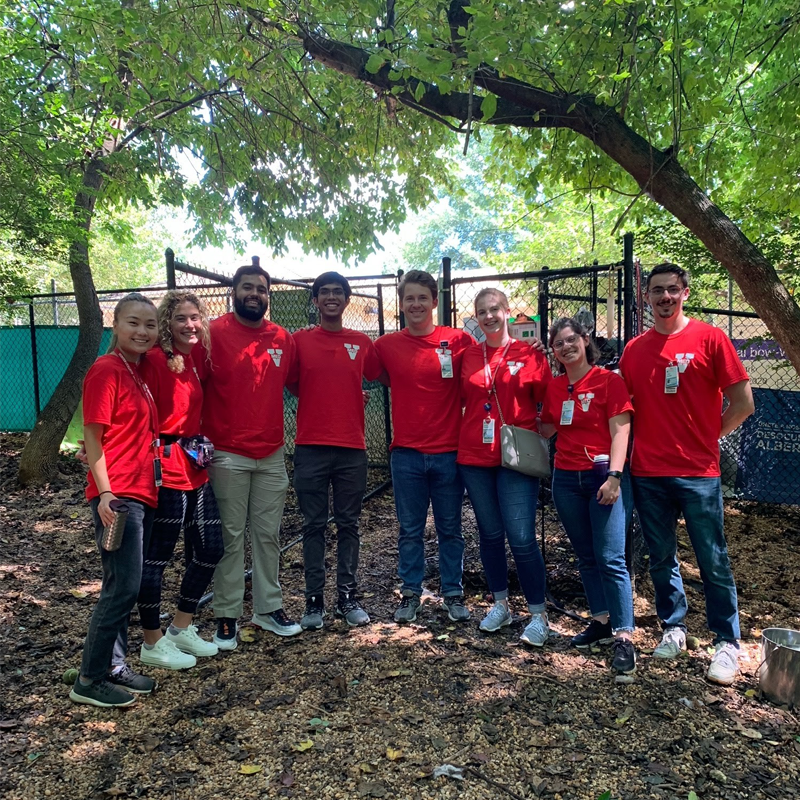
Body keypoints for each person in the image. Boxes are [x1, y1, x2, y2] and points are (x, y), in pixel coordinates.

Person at [619, 263, 754, 686]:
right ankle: (673, 628)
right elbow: (622, 411)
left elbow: (743, 402)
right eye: (656, 290)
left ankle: (726, 642)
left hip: (698, 472)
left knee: (712, 559)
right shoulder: (634, 350)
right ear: (646, 296)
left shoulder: (711, 338)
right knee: (661, 557)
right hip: (648, 472)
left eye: (672, 290)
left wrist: (707, 437)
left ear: (685, 293)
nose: (664, 297)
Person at [203, 265, 301, 649]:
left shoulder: (281, 338)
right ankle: (226, 616)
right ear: (234, 291)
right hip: (227, 453)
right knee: (229, 537)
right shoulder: (212, 333)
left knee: (268, 535)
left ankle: (267, 609)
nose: (254, 294)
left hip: (272, 454)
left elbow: (297, 384)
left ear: (267, 295)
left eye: (261, 289)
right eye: (247, 287)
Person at [70, 293, 161, 707]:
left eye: (150, 325)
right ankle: (89, 679)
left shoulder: (136, 371)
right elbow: (93, 435)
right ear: (115, 324)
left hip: (139, 491)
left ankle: (112, 666)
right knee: (121, 586)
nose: (142, 331)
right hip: (118, 495)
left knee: (125, 582)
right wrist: (105, 492)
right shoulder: (106, 369)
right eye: (133, 323)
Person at [374, 270, 473, 623]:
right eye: (408, 298)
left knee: (450, 528)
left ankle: (453, 593)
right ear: (401, 304)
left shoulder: (458, 341)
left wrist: (531, 345)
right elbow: (378, 375)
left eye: (421, 297)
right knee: (410, 529)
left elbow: (488, 363)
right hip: (407, 454)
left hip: (449, 452)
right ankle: (411, 593)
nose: (415, 304)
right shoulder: (386, 346)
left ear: (435, 301)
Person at [540, 317, 636, 680]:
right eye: (558, 344)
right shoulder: (555, 386)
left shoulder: (609, 381)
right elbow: (547, 426)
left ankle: (624, 636)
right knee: (585, 555)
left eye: (571, 340)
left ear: (585, 340)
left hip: (602, 477)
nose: (566, 347)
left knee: (611, 556)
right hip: (565, 479)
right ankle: (600, 619)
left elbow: (621, 429)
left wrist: (615, 476)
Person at [457, 289, 552, 646]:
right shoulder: (468, 355)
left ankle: (538, 614)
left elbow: (549, 398)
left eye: (494, 309)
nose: (488, 316)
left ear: (508, 312)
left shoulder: (530, 354)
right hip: (474, 456)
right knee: (490, 534)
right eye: (481, 311)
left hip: (515, 458)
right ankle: (500, 604)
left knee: (522, 537)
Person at [135, 291, 224, 669]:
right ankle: (151, 642)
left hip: (194, 466)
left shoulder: (189, 361)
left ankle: (180, 627)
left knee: (211, 548)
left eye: (195, 317)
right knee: (156, 558)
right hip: (164, 468)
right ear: (166, 323)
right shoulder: (153, 361)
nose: (190, 324)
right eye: (180, 318)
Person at [290, 272, 383, 629]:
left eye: (338, 292)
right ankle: (313, 602)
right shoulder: (300, 340)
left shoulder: (361, 341)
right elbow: (296, 385)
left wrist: (349, 396)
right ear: (315, 300)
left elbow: (375, 375)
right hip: (310, 448)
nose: (331, 297)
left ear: (347, 300)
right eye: (324, 292)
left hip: (351, 449)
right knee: (313, 525)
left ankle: (347, 597)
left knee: (349, 524)